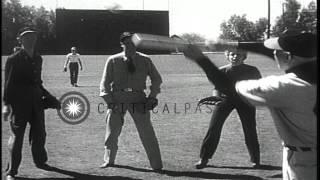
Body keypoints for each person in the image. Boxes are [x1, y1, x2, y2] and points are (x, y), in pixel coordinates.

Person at [183, 30, 317, 180]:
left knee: (249, 129)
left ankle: (255, 159)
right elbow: (268, 50)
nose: (273, 54)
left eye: (276, 52)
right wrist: (228, 44)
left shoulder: (282, 86)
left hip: (305, 162)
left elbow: (229, 87)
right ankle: (206, 156)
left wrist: (201, 59)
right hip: (308, 154)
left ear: (288, 56)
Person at [2, 27, 61, 180]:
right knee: (17, 137)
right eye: (26, 37)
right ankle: (11, 171)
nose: (31, 39)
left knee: (40, 133)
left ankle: (40, 162)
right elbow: (8, 84)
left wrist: (49, 97)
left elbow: (38, 82)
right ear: (20, 40)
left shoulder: (38, 58)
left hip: (36, 102)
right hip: (19, 104)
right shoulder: (13, 59)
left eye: (33, 36)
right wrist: (5, 106)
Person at [99, 32, 163, 170]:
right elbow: (104, 83)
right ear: (122, 44)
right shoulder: (113, 60)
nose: (129, 45)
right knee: (112, 132)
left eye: (132, 43)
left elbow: (157, 79)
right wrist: (110, 101)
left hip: (138, 99)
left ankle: (157, 165)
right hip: (117, 98)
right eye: (126, 43)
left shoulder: (145, 60)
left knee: (147, 133)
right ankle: (109, 160)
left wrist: (152, 97)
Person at [195, 49, 261, 169]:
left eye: (239, 54)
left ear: (244, 56)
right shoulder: (222, 70)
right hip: (225, 100)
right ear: (228, 56)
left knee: (250, 129)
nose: (235, 57)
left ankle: (255, 160)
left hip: (245, 101)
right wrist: (216, 97)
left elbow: (259, 86)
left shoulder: (252, 70)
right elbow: (217, 87)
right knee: (214, 128)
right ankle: (204, 158)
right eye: (232, 54)